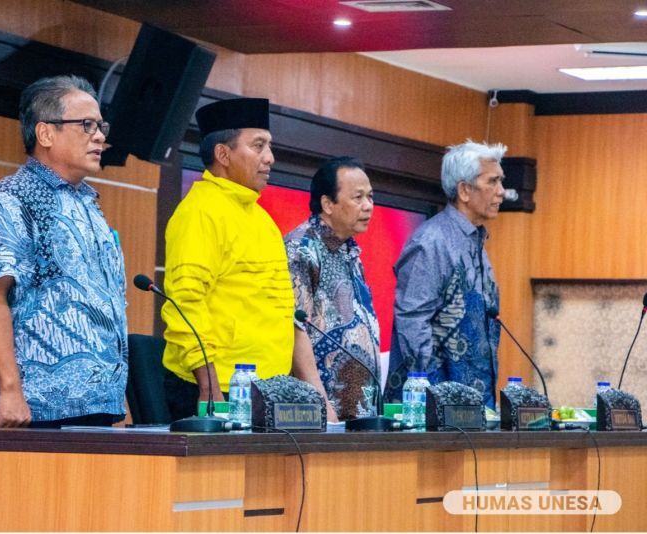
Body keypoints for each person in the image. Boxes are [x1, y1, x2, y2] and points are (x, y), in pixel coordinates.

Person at [0, 75, 128, 428]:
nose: (99, 136)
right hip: (27, 409)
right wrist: (10, 389)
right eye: (86, 125)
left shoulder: (89, 204)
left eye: (100, 125)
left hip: (91, 405)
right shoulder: (8, 200)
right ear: (46, 133)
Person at [162, 98, 295, 419]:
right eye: (258, 146)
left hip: (268, 388)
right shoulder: (199, 212)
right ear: (223, 154)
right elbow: (185, 302)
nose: (270, 158)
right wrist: (209, 386)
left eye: (269, 146)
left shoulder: (262, 219)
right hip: (216, 389)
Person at [386, 140, 505, 409]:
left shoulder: (476, 242)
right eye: (493, 182)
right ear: (464, 190)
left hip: (473, 405)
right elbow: (412, 321)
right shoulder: (431, 242)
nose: (501, 192)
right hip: (432, 409)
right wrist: (434, 399)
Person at [285, 156, 381, 423]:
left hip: (358, 411)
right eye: (358, 197)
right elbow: (295, 329)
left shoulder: (350, 250)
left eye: (371, 197)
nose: (368, 206)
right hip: (323, 413)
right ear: (327, 204)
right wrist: (321, 405)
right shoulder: (301, 249)